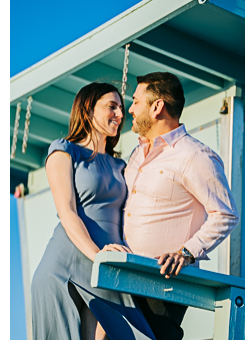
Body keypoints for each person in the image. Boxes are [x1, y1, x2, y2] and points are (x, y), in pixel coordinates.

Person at [31, 82, 155, 339]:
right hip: (66, 265)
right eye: (112, 107)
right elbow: (66, 212)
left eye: (122, 108)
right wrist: (98, 256)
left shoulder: (122, 164)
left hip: (109, 266)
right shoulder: (63, 150)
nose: (120, 115)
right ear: (87, 109)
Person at [122, 72, 239, 339]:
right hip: (123, 276)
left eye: (136, 101)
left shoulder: (195, 155)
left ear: (157, 107)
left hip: (162, 285)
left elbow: (225, 214)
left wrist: (186, 253)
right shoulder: (136, 154)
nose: (130, 108)